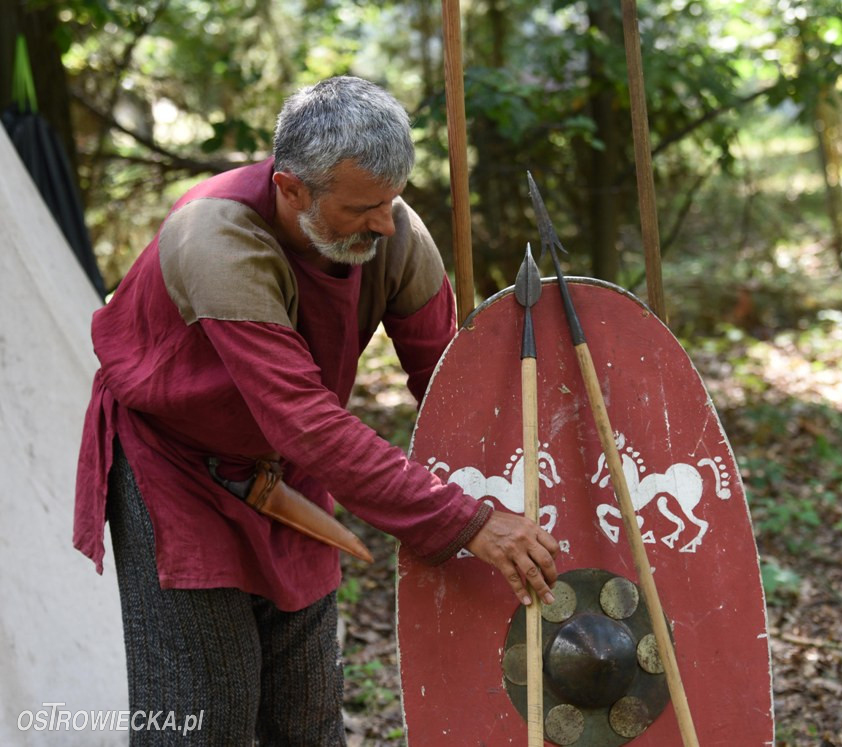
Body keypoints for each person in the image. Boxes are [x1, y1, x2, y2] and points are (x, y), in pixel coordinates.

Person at [73, 75, 559, 744]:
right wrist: (465, 520)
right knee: (205, 717)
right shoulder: (215, 235)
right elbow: (303, 419)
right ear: (292, 188)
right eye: (363, 207)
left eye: (392, 200)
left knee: (307, 717)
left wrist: (521, 485)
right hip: (176, 472)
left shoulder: (395, 233)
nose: (385, 223)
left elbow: (452, 388)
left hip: (289, 475)